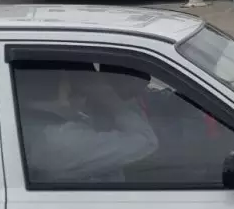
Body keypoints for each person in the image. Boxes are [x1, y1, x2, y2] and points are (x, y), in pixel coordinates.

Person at [14, 63, 159, 184]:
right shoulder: (58, 140)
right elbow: (146, 141)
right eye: (78, 87)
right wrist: (110, 99)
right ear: (63, 90)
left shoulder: (30, 124)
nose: (85, 98)